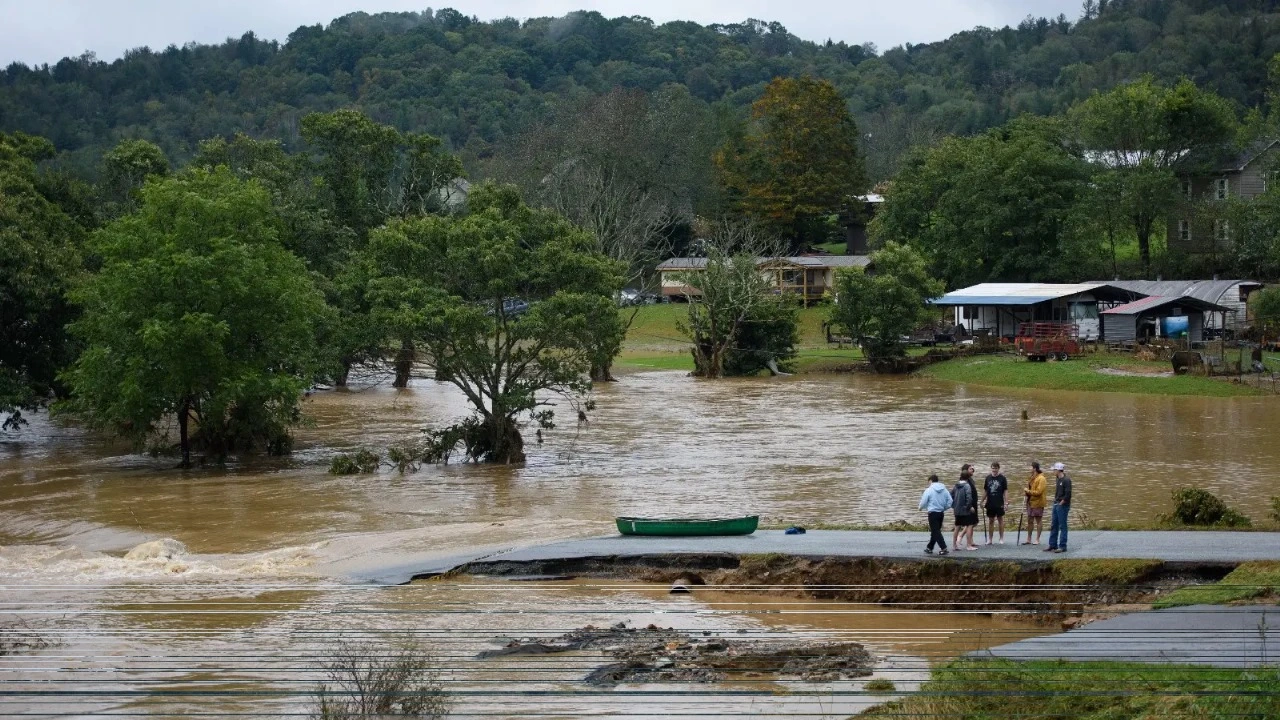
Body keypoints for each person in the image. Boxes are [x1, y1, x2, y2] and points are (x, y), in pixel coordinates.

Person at [918, 474, 953, 555]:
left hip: (932, 513)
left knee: (936, 531)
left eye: (928, 482)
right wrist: (945, 508)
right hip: (941, 513)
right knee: (935, 531)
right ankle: (929, 547)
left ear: (930, 481)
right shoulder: (944, 489)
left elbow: (923, 501)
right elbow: (950, 501)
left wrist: (920, 507)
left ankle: (943, 548)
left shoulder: (929, 490)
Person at [1046, 462, 1073, 553]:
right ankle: (1052, 544)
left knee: (1062, 525)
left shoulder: (1066, 480)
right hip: (1056, 503)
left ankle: (1062, 546)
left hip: (1062, 505)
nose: (1053, 471)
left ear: (1058, 470)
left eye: (1054, 470)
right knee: (1054, 525)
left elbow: (1068, 493)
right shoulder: (1058, 479)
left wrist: (1062, 501)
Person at [952, 464, 979, 551]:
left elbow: (951, 496)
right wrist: (969, 507)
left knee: (957, 526)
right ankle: (968, 545)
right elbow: (969, 498)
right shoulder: (967, 486)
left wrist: (953, 506)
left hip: (957, 510)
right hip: (965, 510)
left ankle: (954, 545)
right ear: (968, 477)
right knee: (970, 525)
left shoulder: (956, 485)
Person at [983, 462, 1008, 544]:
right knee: (991, 520)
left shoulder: (1002, 478)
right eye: (993, 468)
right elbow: (986, 491)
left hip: (999, 502)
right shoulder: (988, 478)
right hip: (990, 502)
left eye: (996, 468)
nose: (994, 470)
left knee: (1000, 520)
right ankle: (990, 539)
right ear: (991, 468)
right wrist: (982, 501)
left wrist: (1006, 502)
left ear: (998, 469)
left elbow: (1005, 491)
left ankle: (1001, 538)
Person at [1023, 461, 1047, 545]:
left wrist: (1028, 491)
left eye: (1030, 467)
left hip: (1038, 502)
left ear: (1034, 468)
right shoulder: (1032, 477)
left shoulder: (1041, 478)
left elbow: (1039, 492)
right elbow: (1030, 488)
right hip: (1030, 502)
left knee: (1038, 520)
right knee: (1030, 520)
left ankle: (1037, 539)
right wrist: (1026, 492)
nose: (1029, 469)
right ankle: (1028, 539)